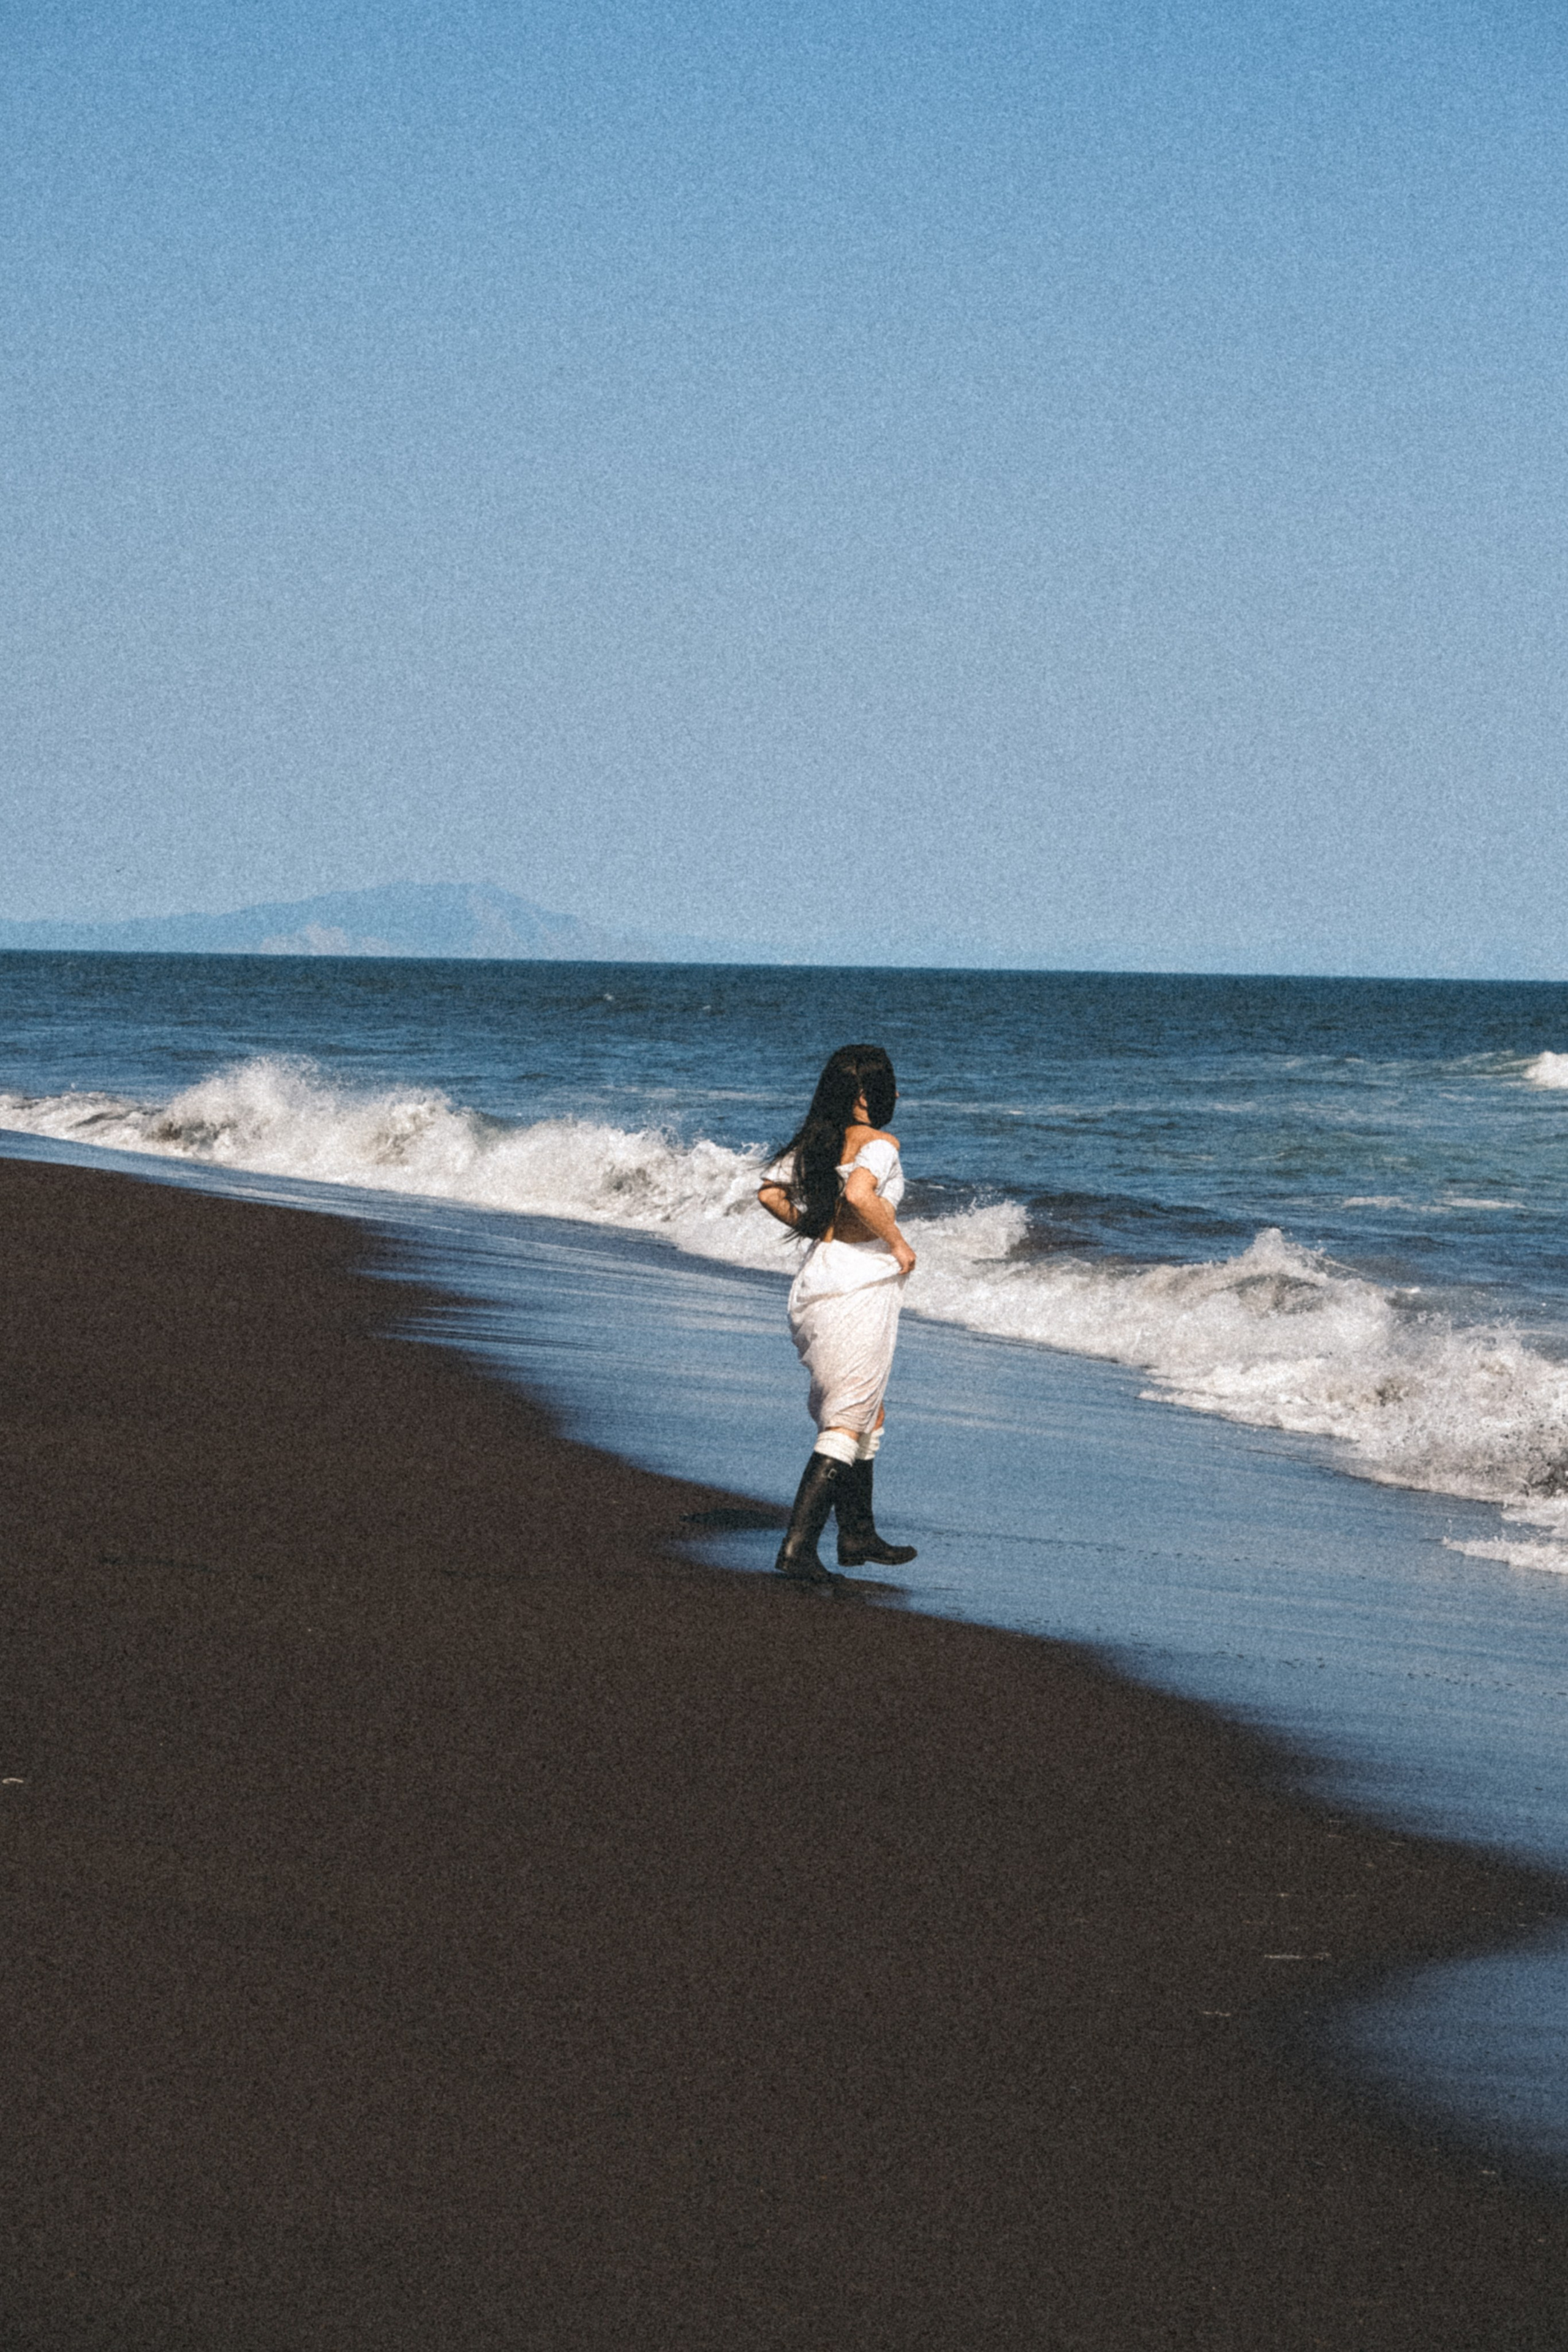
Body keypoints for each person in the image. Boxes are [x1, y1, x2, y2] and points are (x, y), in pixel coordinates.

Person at [757, 1042, 919, 1584]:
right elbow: (859, 1192)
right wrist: (898, 1244)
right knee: (848, 1419)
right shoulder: (880, 1143)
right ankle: (797, 1550)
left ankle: (857, 1533)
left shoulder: (817, 1140)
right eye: (888, 1085)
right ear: (868, 1095)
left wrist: (814, 1226)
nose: (895, 1094)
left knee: (868, 1410)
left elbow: (768, 1193)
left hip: (818, 1275)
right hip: (856, 1282)